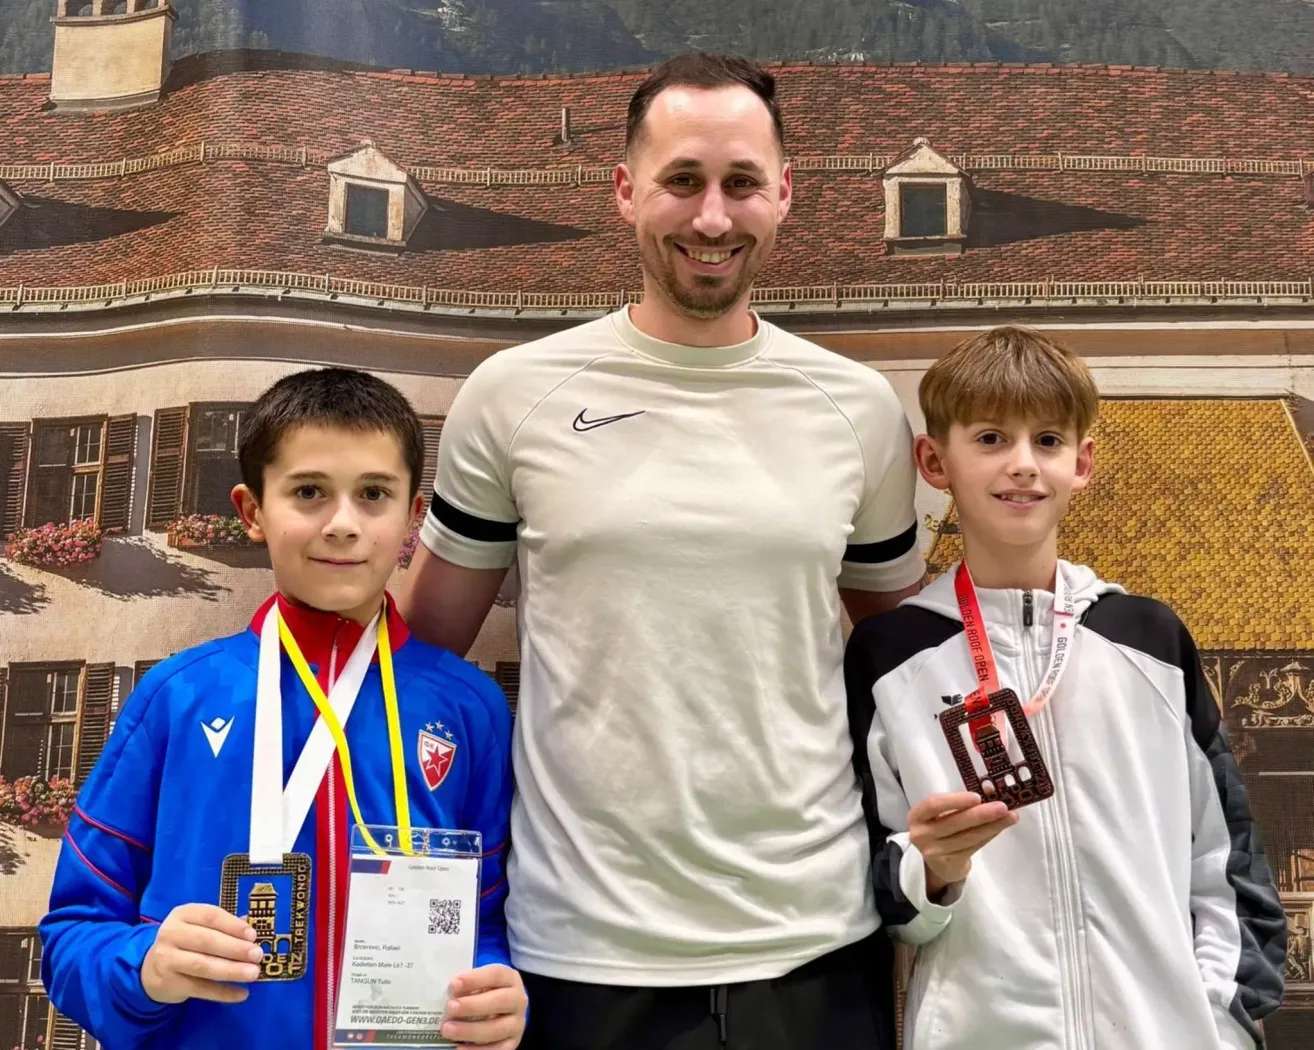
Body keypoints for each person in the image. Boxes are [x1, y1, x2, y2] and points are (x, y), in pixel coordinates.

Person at [396, 52, 925, 1050]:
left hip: (812, 945)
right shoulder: (513, 397)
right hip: (578, 952)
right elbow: (420, 670)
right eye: (683, 181)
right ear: (626, 191)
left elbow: (901, 664)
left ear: (784, 196)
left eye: (740, 184)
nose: (712, 217)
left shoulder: (857, 411)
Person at [40, 368, 528, 1050]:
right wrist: (144, 967)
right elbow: (71, 935)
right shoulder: (178, 698)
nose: (343, 525)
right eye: (308, 493)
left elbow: (490, 922)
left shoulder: (469, 708)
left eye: (374, 495)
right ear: (252, 510)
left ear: (413, 517)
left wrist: (498, 987)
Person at [843, 326, 1288, 1049]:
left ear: (1081, 462)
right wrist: (935, 870)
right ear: (934, 460)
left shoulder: (1148, 638)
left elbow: (1224, 857)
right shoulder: (893, 655)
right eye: (990, 439)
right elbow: (884, 895)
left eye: (1047, 441)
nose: (1022, 465)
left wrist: (1216, 1020)